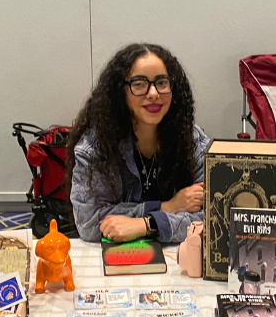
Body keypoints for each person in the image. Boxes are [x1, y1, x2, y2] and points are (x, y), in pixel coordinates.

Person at [67, 43, 209, 245]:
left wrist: (147, 224)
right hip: (118, 258)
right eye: (139, 84)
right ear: (120, 92)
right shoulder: (96, 146)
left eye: (161, 82)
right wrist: (167, 207)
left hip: (179, 259)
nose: (153, 93)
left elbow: (215, 219)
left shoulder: (192, 139)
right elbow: (89, 223)